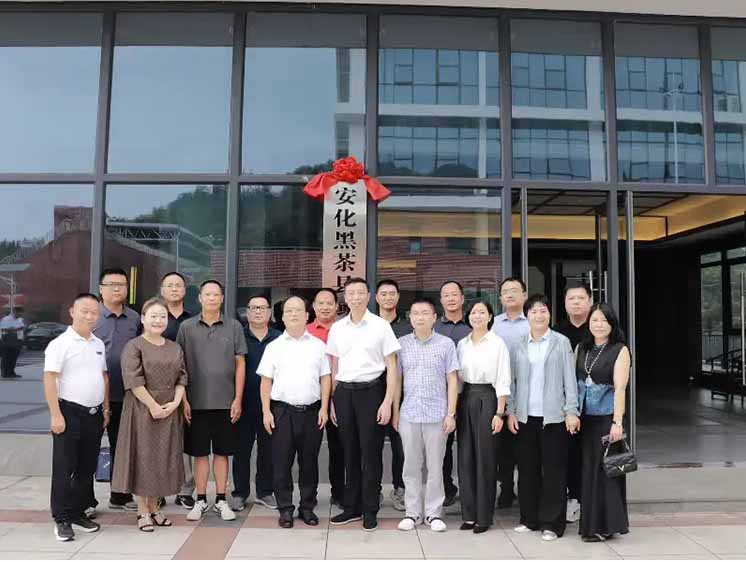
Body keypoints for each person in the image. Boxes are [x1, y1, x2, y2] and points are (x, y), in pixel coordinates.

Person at [327, 277, 400, 531]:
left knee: (371, 453)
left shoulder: (381, 326)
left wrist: (387, 402)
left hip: (372, 392)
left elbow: (392, 367)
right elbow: (334, 365)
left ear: (368, 296)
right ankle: (352, 507)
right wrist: (333, 401)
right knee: (349, 452)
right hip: (344, 393)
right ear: (345, 298)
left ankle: (370, 509)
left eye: (360, 293)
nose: (356, 297)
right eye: (351, 293)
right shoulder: (338, 328)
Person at [508, 294, 580, 542]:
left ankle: (552, 523)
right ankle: (529, 518)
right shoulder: (519, 344)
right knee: (527, 470)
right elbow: (512, 381)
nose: (538, 315)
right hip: (525, 417)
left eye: (543, 310)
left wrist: (571, 411)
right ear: (526, 315)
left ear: (549, 314)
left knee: (554, 471)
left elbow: (570, 380)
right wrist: (511, 411)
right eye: (534, 311)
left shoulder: (560, 342)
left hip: (554, 417)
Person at [111, 297, 186, 532]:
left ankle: (155, 507)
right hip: (142, 408)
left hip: (169, 409)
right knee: (143, 458)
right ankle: (142, 511)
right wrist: (152, 405)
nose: (158, 320)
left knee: (162, 458)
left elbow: (182, 377)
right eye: (153, 316)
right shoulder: (134, 346)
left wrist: (175, 403)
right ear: (143, 319)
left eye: (162, 316)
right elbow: (133, 380)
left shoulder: (174, 347)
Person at [177, 280, 247, 522]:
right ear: (200, 298)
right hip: (195, 402)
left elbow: (240, 363)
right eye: (207, 294)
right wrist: (184, 400)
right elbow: (180, 366)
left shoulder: (234, 326)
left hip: (226, 403)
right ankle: (200, 499)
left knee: (222, 453)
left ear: (222, 298)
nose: (212, 298)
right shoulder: (186, 327)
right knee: (199, 454)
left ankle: (220, 499)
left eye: (216, 294)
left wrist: (237, 399)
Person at [258, 296, 331, 528]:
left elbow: (325, 378)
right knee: (282, 463)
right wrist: (266, 411)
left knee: (309, 463)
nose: (293, 314)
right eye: (289, 311)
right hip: (282, 412)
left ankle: (307, 508)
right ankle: (285, 509)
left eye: (298, 310)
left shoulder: (318, 346)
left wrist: (325, 408)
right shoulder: (274, 347)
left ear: (307, 315)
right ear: (282, 317)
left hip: (312, 412)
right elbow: (265, 382)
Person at [43, 293, 109, 541]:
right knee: (64, 468)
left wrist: (105, 409)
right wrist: (55, 414)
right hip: (68, 413)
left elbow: (103, 377)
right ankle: (61, 518)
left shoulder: (98, 344)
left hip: (94, 414)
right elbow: (50, 379)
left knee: (86, 467)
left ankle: (77, 512)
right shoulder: (60, 344)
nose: (90, 316)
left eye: (94, 312)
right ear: (72, 312)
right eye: (85, 311)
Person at [393, 298, 458, 533]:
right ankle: (412, 512)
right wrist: (395, 412)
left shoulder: (446, 344)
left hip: (437, 415)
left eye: (425, 313)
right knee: (410, 467)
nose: (420, 317)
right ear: (410, 318)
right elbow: (397, 380)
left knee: (435, 467)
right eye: (415, 313)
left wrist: (451, 414)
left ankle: (433, 513)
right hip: (409, 414)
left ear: (434, 317)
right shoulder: (401, 345)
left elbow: (452, 380)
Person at [576, 303, 630, 542]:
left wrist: (617, 422)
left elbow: (620, 389)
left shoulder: (620, 350)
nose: (599, 325)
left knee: (607, 472)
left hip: (607, 420)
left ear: (612, 324)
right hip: (584, 420)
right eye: (594, 320)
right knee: (589, 473)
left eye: (604, 321)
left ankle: (607, 526)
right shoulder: (582, 348)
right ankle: (591, 525)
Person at [456, 301, 511, 534]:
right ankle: (468, 515)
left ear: (490, 317)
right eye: (473, 312)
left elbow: (503, 379)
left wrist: (499, 412)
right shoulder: (462, 344)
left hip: (488, 398)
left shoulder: (497, 343)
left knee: (485, 458)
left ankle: (483, 516)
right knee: (465, 457)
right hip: (466, 398)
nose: (477, 316)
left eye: (482, 312)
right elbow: (457, 380)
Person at [94, 267, 140, 512]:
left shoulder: (135, 318)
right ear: (101, 289)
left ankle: (120, 495)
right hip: (93, 394)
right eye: (111, 284)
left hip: (125, 394)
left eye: (121, 284)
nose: (116, 288)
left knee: (121, 446)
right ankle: (84, 500)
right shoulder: (92, 316)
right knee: (88, 446)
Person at [231, 294, 280, 512]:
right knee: (241, 450)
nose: (258, 311)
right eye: (253, 308)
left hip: (271, 405)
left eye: (262, 308)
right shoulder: (238, 337)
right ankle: (240, 493)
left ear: (269, 312)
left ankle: (265, 492)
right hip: (244, 403)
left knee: (268, 450)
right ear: (247, 312)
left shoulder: (279, 338)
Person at [555, 283, 593, 524]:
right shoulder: (557, 332)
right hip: (565, 404)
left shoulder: (599, 327)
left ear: (590, 301)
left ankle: (593, 497)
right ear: (565, 303)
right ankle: (574, 498)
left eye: (581, 298)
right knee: (569, 452)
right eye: (571, 298)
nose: (576, 302)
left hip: (595, 404)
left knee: (593, 452)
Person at [492, 277, 530, 509]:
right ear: (500, 298)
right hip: (500, 394)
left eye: (515, 290)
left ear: (524, 295)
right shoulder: (494, 324)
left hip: (527, 393)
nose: (510, 294)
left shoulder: (533, 321)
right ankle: (506, 489)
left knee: (525, 447)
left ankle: (528, 492)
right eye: (505, 291)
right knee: (502, 448)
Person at [307, 288, 345, 509]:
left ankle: (338, 493)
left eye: (329, 303)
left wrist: (333, 398)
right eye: (320, 303)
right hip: (312, 398)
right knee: (309, 450)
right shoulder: (305, 332)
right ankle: (308, 496)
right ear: (313, 306)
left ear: (336, 306)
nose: (325, 307)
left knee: (339, 448)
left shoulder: (344, 330)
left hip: (339, 397)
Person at [160, 271, 195, 510]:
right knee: (158, 440)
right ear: (162, 291)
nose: (174, 289)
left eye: (178, 285)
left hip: (187, 386)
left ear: (185, 290)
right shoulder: (154, 317)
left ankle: (185, 490)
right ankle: (158, 490)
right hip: (158, 387)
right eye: (169, 285)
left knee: (186, 441)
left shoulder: (192, 320)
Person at [434, 280, 471, 507]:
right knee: (443, 446)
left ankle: (469, 489)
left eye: (454, 294)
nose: (450, 298)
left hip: (469, 394)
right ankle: (446, 488)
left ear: (462, 298)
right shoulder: (435, 328)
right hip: (441, 394)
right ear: (441, 300)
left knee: (468, 444)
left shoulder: (473, 325)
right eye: (446, 295)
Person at [375, 279, 409, 512]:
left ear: (398, 297)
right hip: (371, 392)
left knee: (401, 446)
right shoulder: (369, 325)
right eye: (383, 294)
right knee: (372, 445)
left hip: (402, 394)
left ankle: (400, 488)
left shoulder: (407, 328)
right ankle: (373, 488)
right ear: (376, 298)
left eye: (392, 293)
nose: (388, 297)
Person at [0, 308, 24, 378]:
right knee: (6, 357)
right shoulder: (6, 319)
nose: (20, 314)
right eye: (19, 313)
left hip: (16, 340)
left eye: (21, 313)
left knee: (13, 358)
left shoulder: (19, 319)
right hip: (7, 340)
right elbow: (2, 329)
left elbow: (21, 327)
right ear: (15, 312)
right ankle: (5, 373)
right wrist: (12, 330)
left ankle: (11, 372)